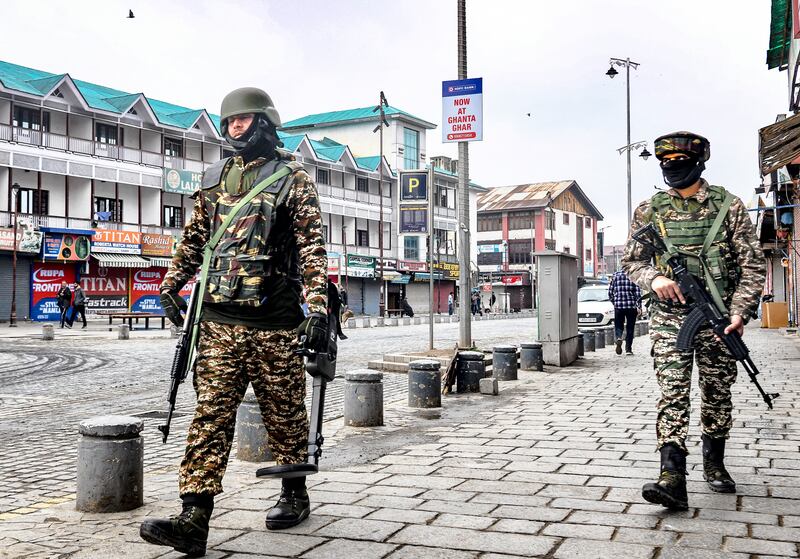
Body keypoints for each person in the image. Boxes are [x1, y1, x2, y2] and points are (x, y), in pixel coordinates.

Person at [140, 87, 328, 556]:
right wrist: (170, 285)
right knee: (211, 415)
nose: (235, 128)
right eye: (229, 122)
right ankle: (194, 518)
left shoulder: (293, 180)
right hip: (218, 320)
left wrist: (319, 308)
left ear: (264, 122)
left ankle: (294, 493)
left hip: (276, 322)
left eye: (243, 120)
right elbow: (194, 241)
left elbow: (312, 250)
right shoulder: (214, 179)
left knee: (285, 413)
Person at [622, 131, 765, 511]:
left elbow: (753, 265)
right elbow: (632, 261)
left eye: (680, 163)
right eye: (666, 163)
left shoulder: (728, 206)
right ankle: (672, 475)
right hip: (670, 319)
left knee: (717, 391)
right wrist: (656, 279)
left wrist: (739, 312)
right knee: (672, 391)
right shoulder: (649, 210)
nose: (673, 169)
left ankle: (714, 462)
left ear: (699, 164)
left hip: (720, 318)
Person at [608, 270, 642, 355]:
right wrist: (639, 306)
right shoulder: (633, 276)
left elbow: (610, 292)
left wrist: (615, 302)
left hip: (619, 306)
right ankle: (628, 349)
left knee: (618, 325)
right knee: (630, 328)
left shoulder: (615, 276)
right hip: (631, 306)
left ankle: (619, 337)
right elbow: (638, 293)